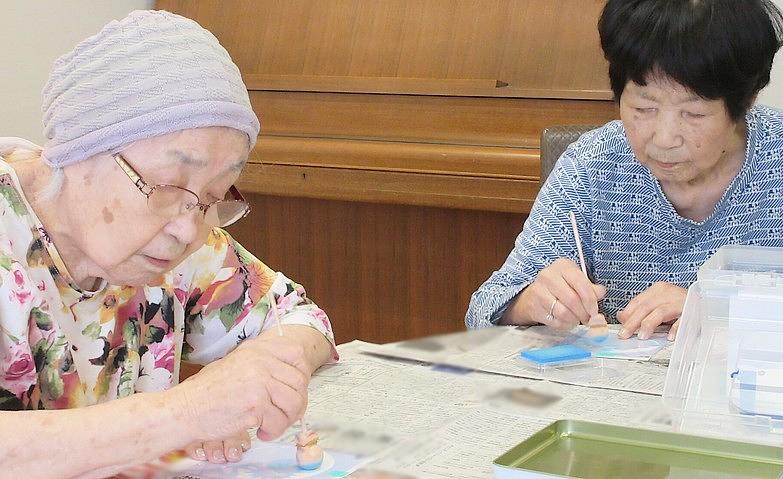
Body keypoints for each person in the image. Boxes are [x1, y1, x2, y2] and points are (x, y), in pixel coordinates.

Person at [0, 10, 337, 478]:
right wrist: (187, 413)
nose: (187, 231)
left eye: (215, 197)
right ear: (79, 151)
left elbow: (300, 317)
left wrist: (261, 367)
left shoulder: (186, 235)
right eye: (167, 185)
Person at [466, 0, 783, 341]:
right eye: (644, 108)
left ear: (745, 102)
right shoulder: (592, 164)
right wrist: (530, 302)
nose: (663, 139)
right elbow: (483, 310)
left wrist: (718, 310)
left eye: (694, 114)